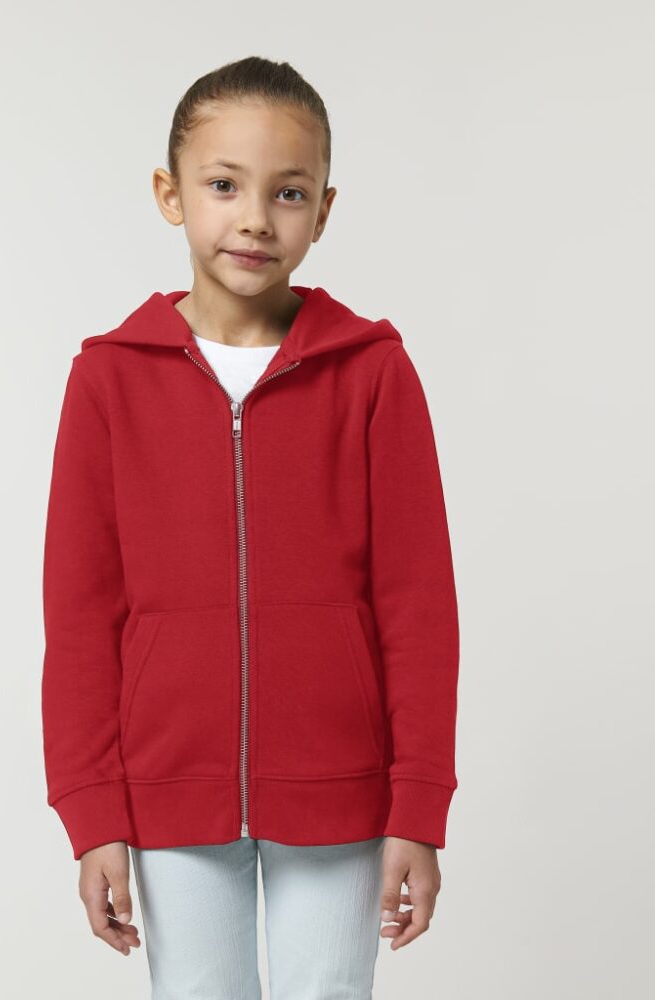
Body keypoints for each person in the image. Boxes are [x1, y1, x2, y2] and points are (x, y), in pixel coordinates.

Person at [41, 54, 460, 1000]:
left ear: (324, 209)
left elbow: (419, 607)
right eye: (224, 185)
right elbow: (80, 617)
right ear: (171, 194)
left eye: (289, 192)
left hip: (341, 789)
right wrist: (92, 812)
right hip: (167, 786)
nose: (256, 218)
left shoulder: (373, 374)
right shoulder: (108, 379)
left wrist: (418, 806)